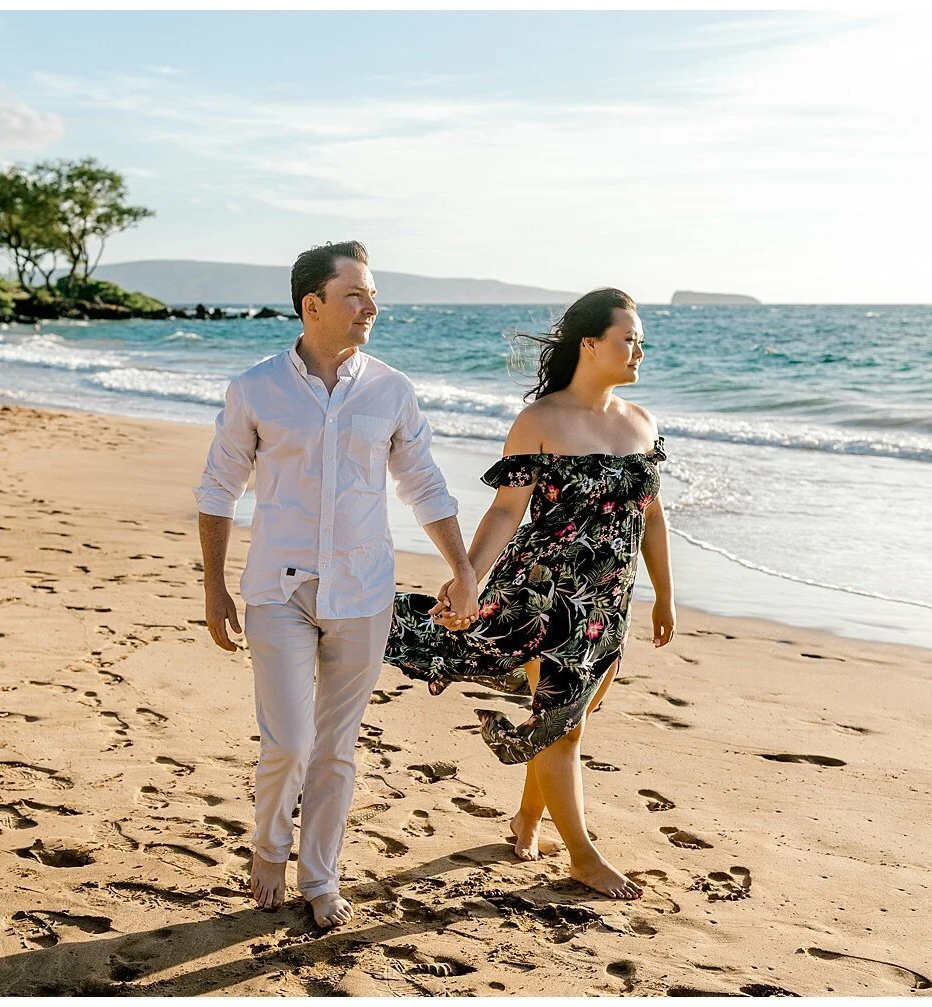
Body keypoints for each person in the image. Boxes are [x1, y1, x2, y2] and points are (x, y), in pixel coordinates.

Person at [194, 240, 478, 928]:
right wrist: (214, 587)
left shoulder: (392, 390)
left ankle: (320, 875)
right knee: (289, 740)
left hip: (363, 591)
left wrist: (463, 570)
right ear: (312, 305)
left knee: (336, 747)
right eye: (354, 295)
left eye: (372, 294)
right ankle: (268, 847)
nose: (370, 307)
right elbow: (218, 489)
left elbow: (424, 485)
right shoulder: (254, 388)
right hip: (277, 590)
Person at [384, 287, 677, 900]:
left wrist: (664, 596)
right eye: (630, 339)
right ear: (590, 345)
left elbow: (651, 517)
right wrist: (469, 576)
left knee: (569, 719)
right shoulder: (540, 421)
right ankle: (583, 857)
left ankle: (527, 820)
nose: (640, 351)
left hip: (608, 604)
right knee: (563, 728)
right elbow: (505, 512)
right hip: (543, 600)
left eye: (642, 341)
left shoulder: (642, 422)